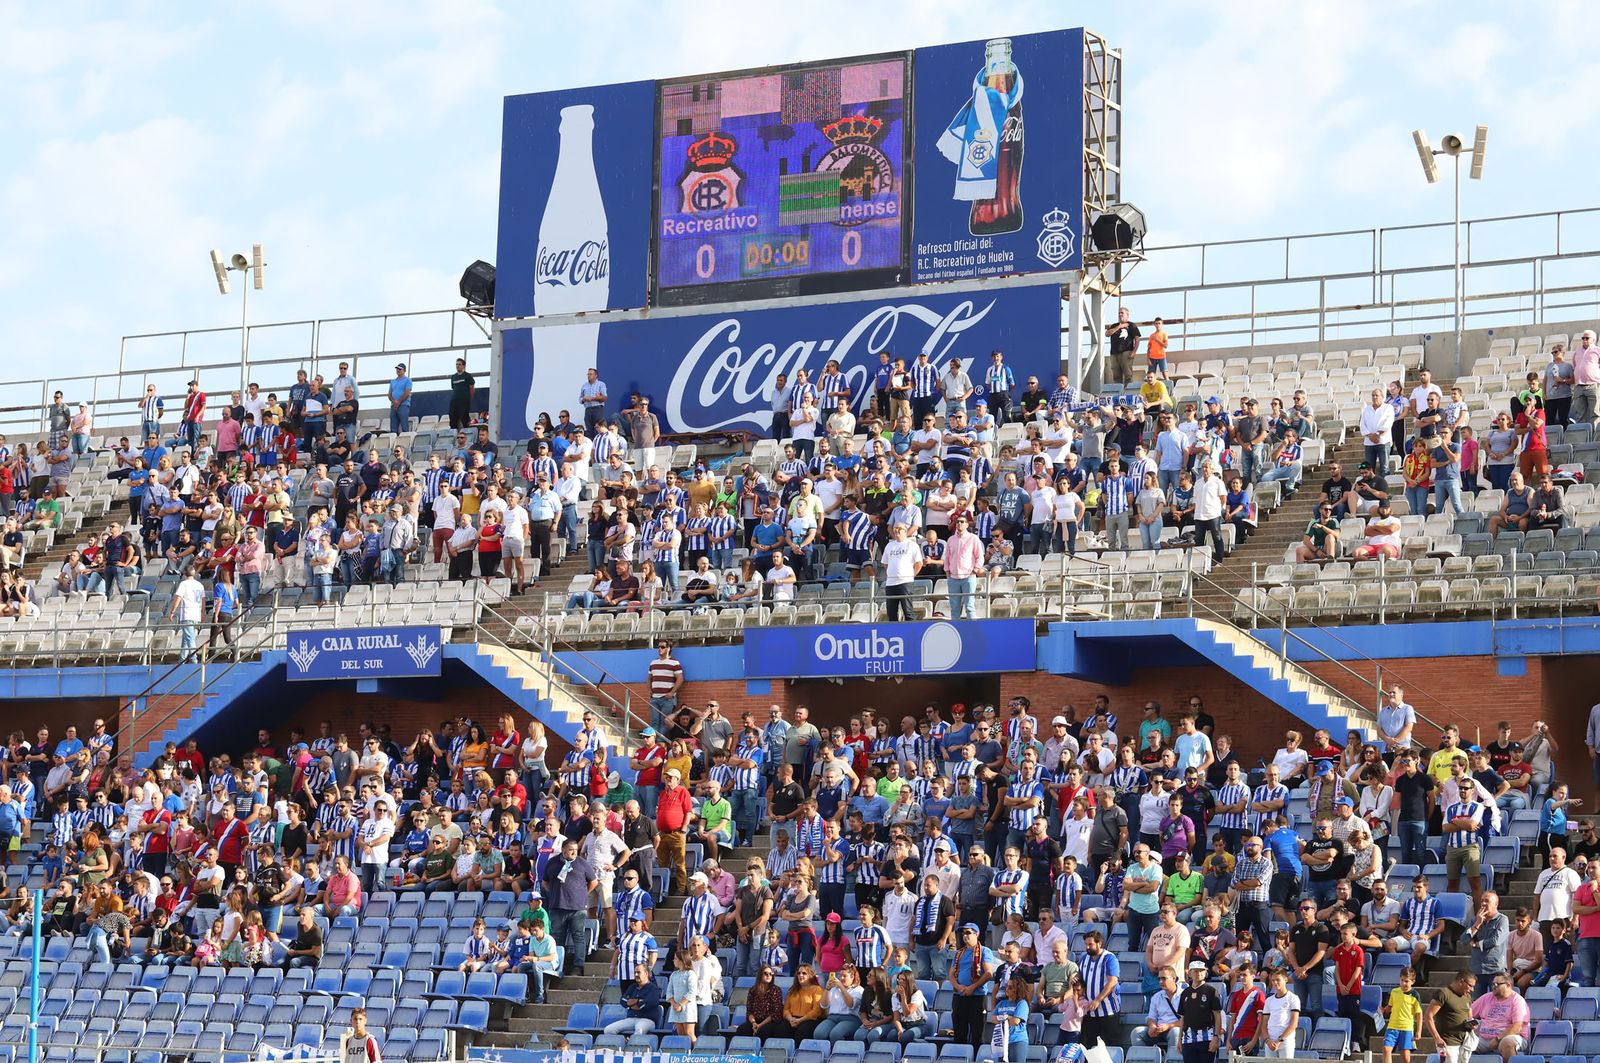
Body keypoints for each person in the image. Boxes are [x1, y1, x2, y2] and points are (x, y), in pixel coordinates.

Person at [1470, 973, 1529, 1063]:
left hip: (1510, 1036)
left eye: (1497, 984)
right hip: (1483, 1038)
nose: (1494, 986)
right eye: (1493, 984)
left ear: (1508, 985)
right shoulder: (1487, 997)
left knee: (1507, 1043)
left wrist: (1498, 1039)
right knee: (1457, 1040)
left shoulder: (1517, 1000)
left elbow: (1517, 1027)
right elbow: (1469, 1012)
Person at [1424, 971, 1479, 1063]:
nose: (1472, 989)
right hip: (1448, 1042)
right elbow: (1428, 1016)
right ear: (1461, 981)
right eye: (1470, 985)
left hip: (1465, 1041)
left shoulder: (1467, 997)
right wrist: (1437, 1038)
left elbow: (1469, 1016)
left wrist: (1472, 1024)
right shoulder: (1443, 994)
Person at [1382, 966, 1422, 1063]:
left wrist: (1418, 1031)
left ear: (1412, 982)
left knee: (1405, 1056)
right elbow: (1390, 1007)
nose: (1404, 983)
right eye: (1402, 980)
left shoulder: (1415, 995)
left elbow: (1419, 1014)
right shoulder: (1394, 992)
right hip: (1392, 1027)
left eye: (1407, 981)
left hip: (1406, 1028)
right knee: (1386, 1049)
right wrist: (1382, 1010)